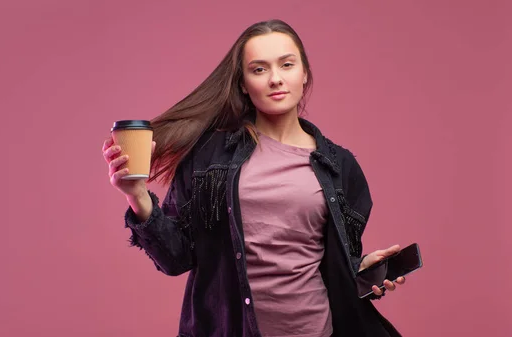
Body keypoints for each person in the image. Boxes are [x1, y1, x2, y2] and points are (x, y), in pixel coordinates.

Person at [102, 19, 407, 337]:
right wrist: (136, 195)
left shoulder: (340, 167)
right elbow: (175, 258)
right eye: (259, 69)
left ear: (304, 74)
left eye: (287, 65)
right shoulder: (208, 158)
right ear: (244, 84)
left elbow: (333, 263)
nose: (276, 79)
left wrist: (361, 271)